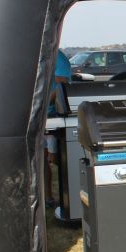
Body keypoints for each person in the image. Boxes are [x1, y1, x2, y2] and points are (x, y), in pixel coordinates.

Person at [44, 48, 71, 208]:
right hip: (38, 117)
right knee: (41, 160)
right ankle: (47, 198)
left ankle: (69, 196)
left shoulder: (58, 57)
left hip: (54, 116)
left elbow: (61, 85)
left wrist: (43, 103)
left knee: (56, 159)